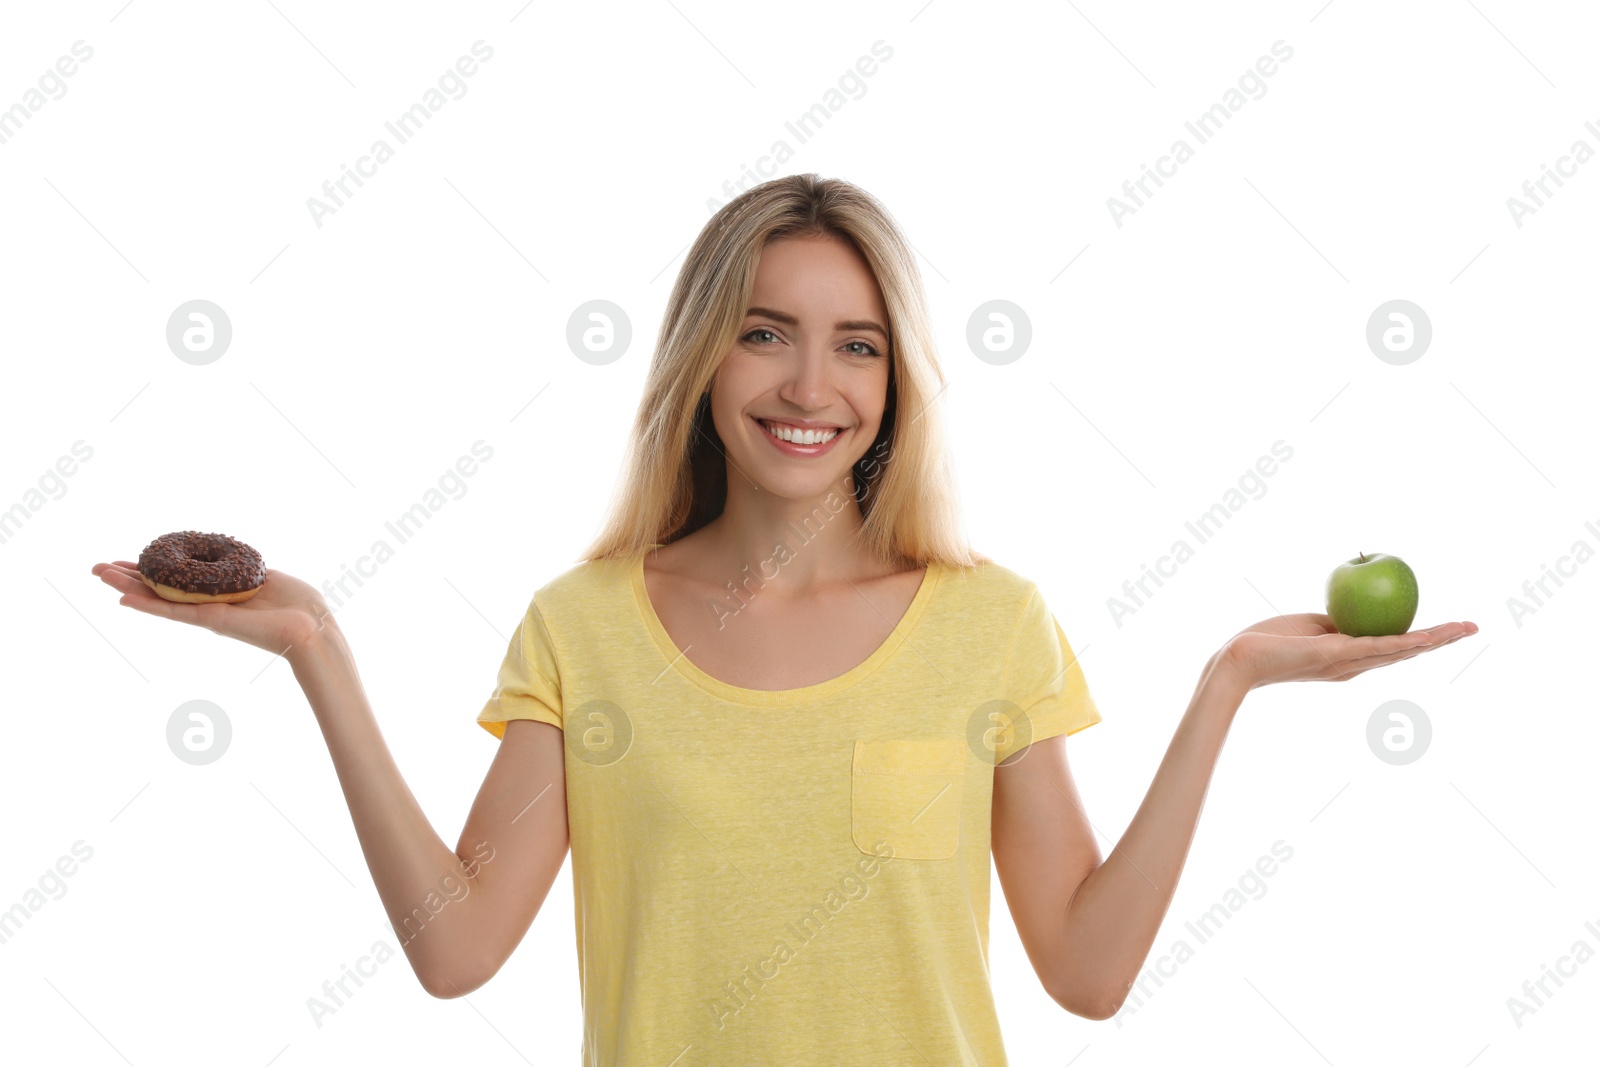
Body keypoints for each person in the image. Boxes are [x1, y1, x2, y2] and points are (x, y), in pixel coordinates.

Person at [92, 173, 1477, 1065]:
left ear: (896, 381)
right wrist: (319, 656)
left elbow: (1088, 974)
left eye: (856, 343)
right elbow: (457, 954)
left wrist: (1227, 686)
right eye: (765, 331)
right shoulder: (583, 626)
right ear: (703, 356)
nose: (810, 383)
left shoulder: (988, 624)